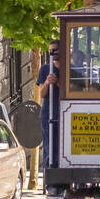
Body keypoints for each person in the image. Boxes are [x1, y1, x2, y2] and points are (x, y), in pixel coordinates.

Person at [35, 42, 59, 184]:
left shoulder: (68, 68)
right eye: (50, 51)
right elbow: (42, 94)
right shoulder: (45, 69)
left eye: (55, 50)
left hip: (63, 113)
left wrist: (58, 82)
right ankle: (49, 178)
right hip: (48, 113)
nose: (52, 53)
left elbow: (72, 91)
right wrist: (48, 82)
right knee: (48, 144)